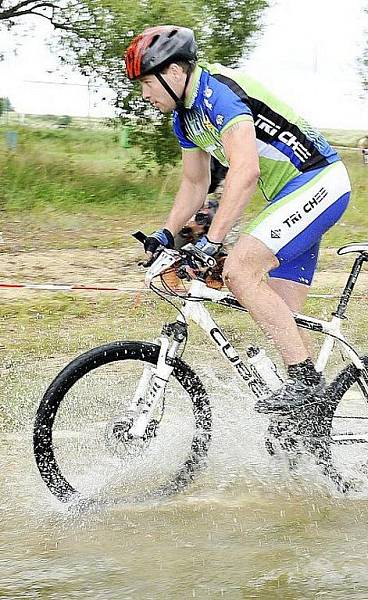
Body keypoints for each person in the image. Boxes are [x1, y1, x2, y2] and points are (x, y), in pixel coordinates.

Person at [125, 25, 351, 412]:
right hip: (289, 196)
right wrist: (167, 232)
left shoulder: (219, 95)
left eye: (147, 82)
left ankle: (305, 384)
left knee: (239, 270)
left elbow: (245, 173)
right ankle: (311, 423)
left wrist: (212, 241)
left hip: (319, 181)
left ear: (174, 73)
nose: (144, 94)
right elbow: (195, 182)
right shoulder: (185, 117)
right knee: (286, 320)